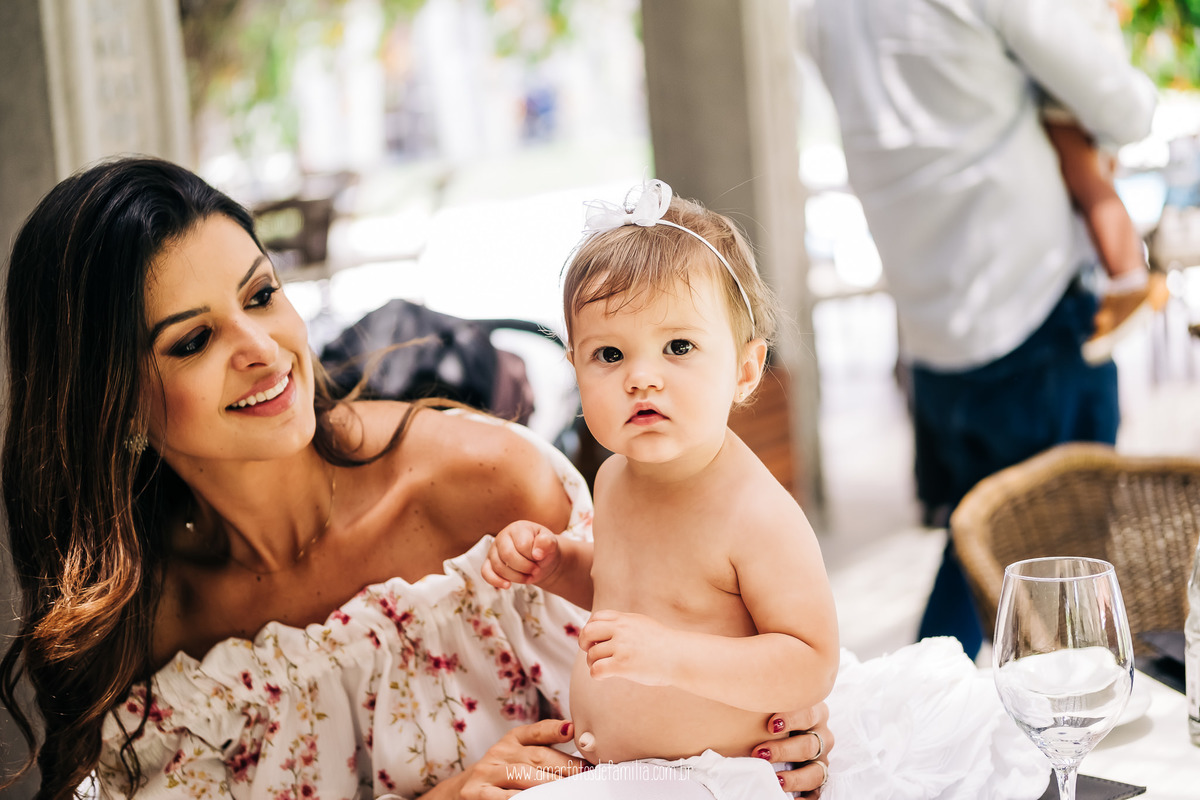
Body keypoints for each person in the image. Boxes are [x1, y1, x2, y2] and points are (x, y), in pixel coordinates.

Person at [0, 156, 834, 800]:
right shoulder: (149, 631)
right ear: (112, 400)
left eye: (260, 295)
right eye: (192, 341)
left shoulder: (484, 481)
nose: (260, 348)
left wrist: (781, 732)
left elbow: (697, 644)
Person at [798, 0, 1158, 658]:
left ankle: (924, 699)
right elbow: (1127, 109)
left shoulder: (821, 10)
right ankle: (957, 703)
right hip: (1033, 308)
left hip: (930, 332)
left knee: (975, 548)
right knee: (1062, 568)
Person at [481, 179, 840, 798]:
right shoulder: (614, 477)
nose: (641, 378)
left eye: (679, 346)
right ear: (574, 371)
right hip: (623, 775)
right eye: (609, 355)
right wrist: (559, 565)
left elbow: (811, 661)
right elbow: (628, 591)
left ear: (745, 370)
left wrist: (671, 656)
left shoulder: (753, 512)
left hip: (717, 778)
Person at [1039, 0, 1168, 363]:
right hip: (1091, 62)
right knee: (1091, 173)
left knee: (1082, 175)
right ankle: (1124, 276)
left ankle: (1128, 275)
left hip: (1080, 66)